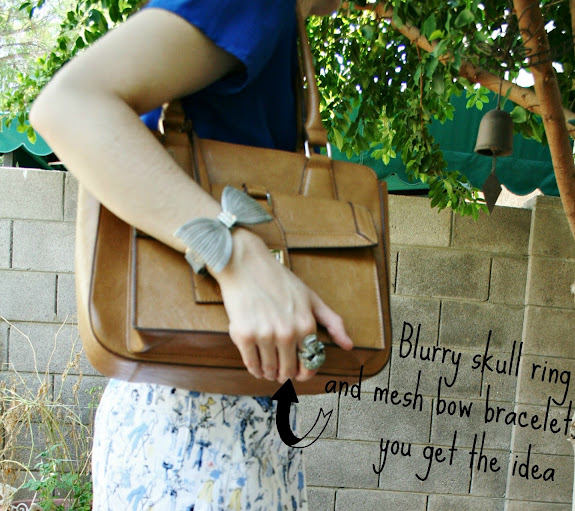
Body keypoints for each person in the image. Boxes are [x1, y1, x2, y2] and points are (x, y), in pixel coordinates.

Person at [29, 0, 350, 509]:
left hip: (221, 422)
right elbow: (69, 106)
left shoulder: (279, 25)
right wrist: (234, 252)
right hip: (193, 426)